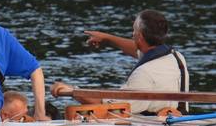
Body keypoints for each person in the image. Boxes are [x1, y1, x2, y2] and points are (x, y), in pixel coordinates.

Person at [51, 10, 189, 115]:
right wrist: (107, 38)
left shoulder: (144, 73)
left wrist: (70, 91)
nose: (132, 34)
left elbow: (110, 106)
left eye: (134, 31)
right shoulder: (176, 57)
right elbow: (138, 50)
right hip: (181, 122)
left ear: (140, 37)